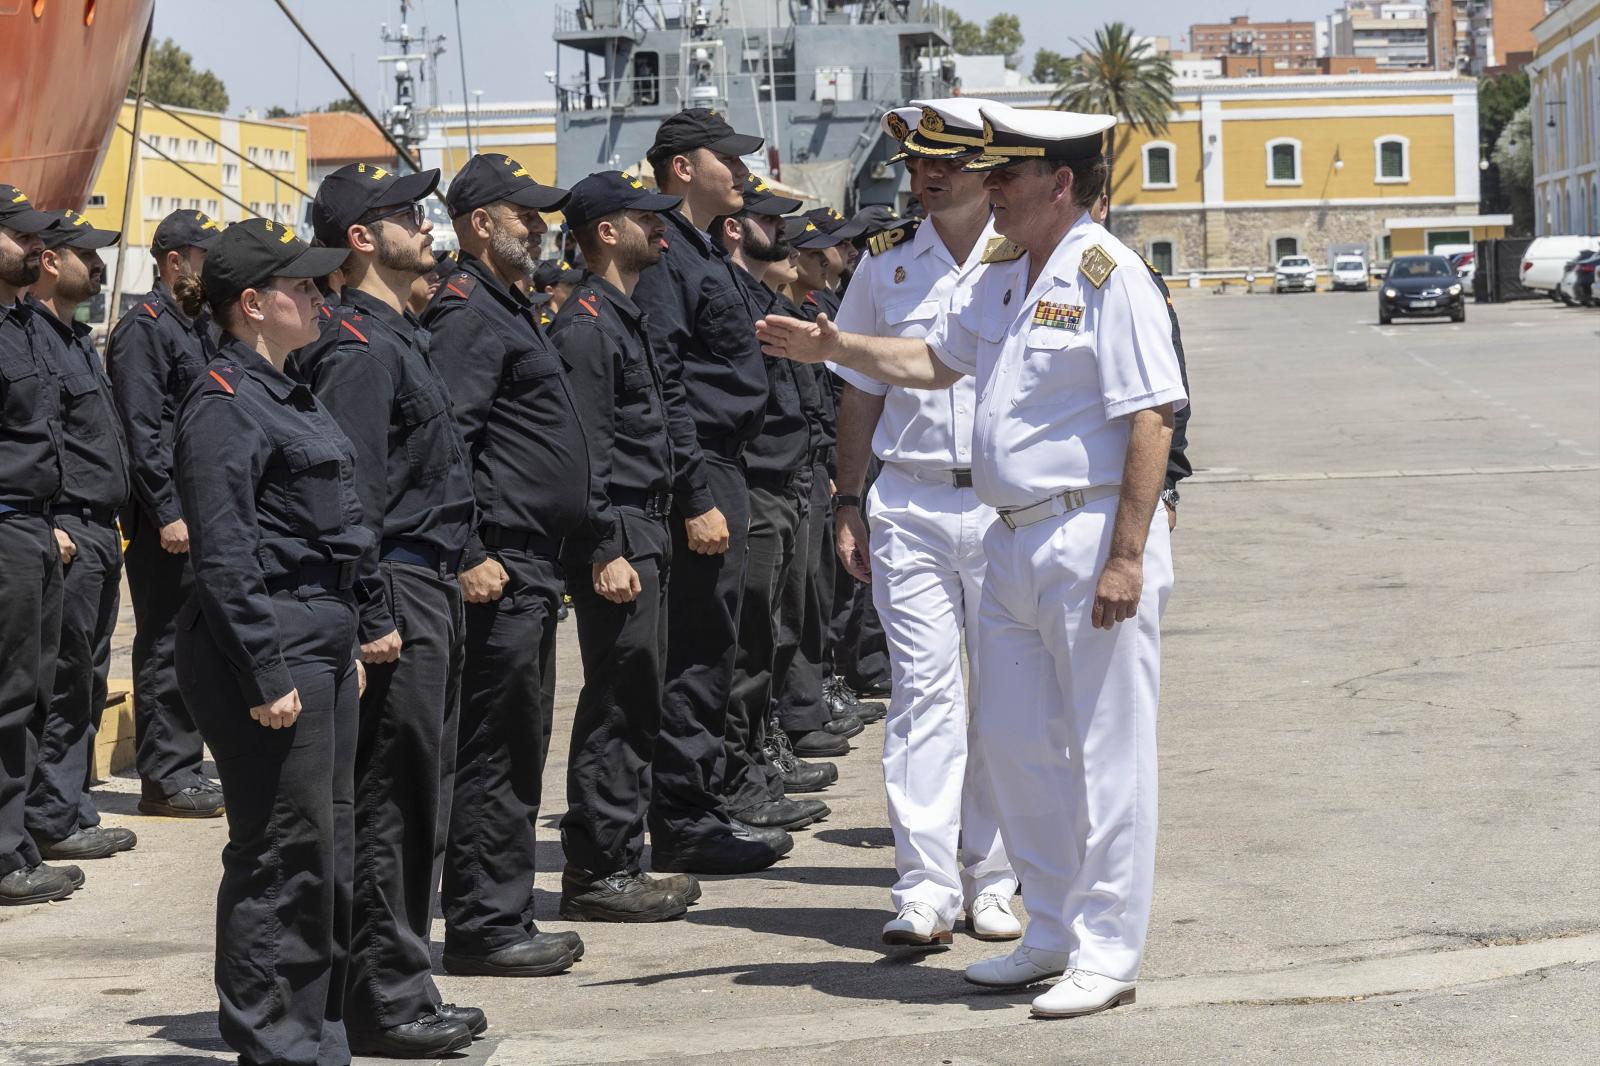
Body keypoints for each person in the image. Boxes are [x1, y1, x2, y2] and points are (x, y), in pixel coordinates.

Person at [755, 103, 1187, 1019]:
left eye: (1007, 176)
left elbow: (1154, 414)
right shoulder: (1001, 274)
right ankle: (1051, 932)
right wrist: (837, 344)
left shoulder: (1110, 276)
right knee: (1016, 743)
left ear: (1058, 184)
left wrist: (1128, 555)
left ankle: (1108, 950)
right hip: (1011, 538)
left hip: (1087, 534)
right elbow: (928, 361)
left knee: (1107, 755)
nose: (990, 189)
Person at [292, 163, 484, 1055]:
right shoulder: (359, 351)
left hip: (427, 581)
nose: (423, 222)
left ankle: (401, 978)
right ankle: (384, 997)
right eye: (403, 213)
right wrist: (374, 613)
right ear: (361, 238)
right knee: (393, 800)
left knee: (422, 793)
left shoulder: (394, 336)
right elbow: (350, 503)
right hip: (399, 585)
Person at [173, 218, 373, 1064]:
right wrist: (265, 668)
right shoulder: (221, 404)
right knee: (278, 850)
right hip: (269, 646)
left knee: (326, 841)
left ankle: (313, 1028)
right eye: (301, 287)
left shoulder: (289, 390)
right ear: (252, 306)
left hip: (318, 639)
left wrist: (351, 638)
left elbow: (331, 528)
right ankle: (270, 1037)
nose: (320, 297)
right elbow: (226, 551)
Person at [828, 101, 1019, 949]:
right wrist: (845, 498)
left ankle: (998, 878)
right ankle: (925, 887)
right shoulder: (885, 266)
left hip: (1005, 505)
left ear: (990, 172)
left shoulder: (1024, 261)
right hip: (907, 503)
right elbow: (861, 387)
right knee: (923, 698)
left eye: (947, 163)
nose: (927, 178)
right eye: (916, 165)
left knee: (1010, 698)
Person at [421, 153, 588, 978]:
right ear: (480, 223)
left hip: (531, 565)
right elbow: (444, 440)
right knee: (494, 750)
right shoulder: (465, 314)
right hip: (501, 569)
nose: (540, 225)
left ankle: (500, 908)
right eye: (524, 213)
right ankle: (487, 925)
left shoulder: (506, 305)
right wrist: (471, 551)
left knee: (516, 745)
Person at [630, 109, 794, 874]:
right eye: (725, 157)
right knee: (696, 651)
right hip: (701, 470)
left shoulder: (702, 254)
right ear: (683, 167)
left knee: (716, 645)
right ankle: (683, 819)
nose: (740, 171)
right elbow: (665, 381)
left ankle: (696, 800)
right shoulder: (669, 261)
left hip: (725, 463)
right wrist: (695, 493)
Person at [547, 171, 701, 922]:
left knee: (639, 696)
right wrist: (604, 545)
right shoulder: (584, 325)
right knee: (617, 700)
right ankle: (600, 869)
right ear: (607, 232)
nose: (663, 230)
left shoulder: (620, 315)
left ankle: (618, 859)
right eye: (649, 219)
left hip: (647, 525)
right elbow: (585, 452)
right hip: (621, 536)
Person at [712, 179, 840, 835]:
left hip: (786, 479)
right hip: (756, 482)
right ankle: (741, 779)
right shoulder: (731, 297)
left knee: (778, 633)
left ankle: (763, 760)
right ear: (735, 228)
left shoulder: (764, 296)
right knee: (749, 642)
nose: (784, 231)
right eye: (768, 219)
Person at [23, 211, 137, 863]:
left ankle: (68, 804)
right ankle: (50, 815)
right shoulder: (33, 339)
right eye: (84, 256)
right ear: (49, 262)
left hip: (100, 530)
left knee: (88, 675)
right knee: (64, 679)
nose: (97, 267)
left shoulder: (72, 337)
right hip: (69, 528)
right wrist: (52, 520)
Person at [106, 208, 226, 818]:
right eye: (205, 257)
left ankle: (184, 763)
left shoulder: (196, 324)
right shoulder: (143, 329)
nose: (212, 268)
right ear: (174, 261)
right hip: (166, 519)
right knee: (165, 644)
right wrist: (167, 509)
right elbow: (141, 430)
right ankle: (166, 778)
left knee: (196, 642)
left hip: (200, 507)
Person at [0, 185, 83, 907]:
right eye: (22, 236)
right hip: (2, 531)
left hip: (30, 525)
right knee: (6, 697)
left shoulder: (25, 322)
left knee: (32, 693)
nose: (39, 248)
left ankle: (18, 840)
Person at [1089, 190, 1192, 530]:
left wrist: (1167, 487)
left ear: (1103, 207)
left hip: (1107, 499)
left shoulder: (1130, 275)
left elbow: (1167, 397)